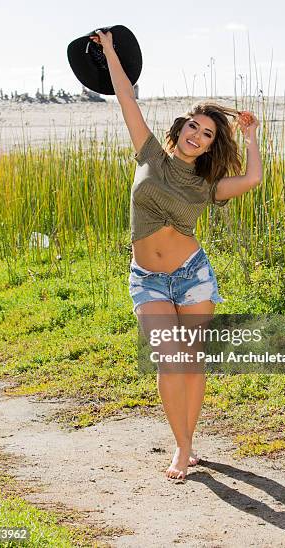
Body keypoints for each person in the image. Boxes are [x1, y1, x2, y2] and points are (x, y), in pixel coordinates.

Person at [91, 30, 263, 481]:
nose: (199, 136)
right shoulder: (148, 153)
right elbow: (126, 98)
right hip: (147, 277)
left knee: (192, 363)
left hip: (192, 275)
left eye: (208, 135)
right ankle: (183, 449)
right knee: (171, 362)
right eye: (195, 127)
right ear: (181, 127)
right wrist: (110, 50)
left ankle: (186, 445)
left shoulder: (205, 184)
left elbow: (251, 180)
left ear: (209, 146)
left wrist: (250, 137)